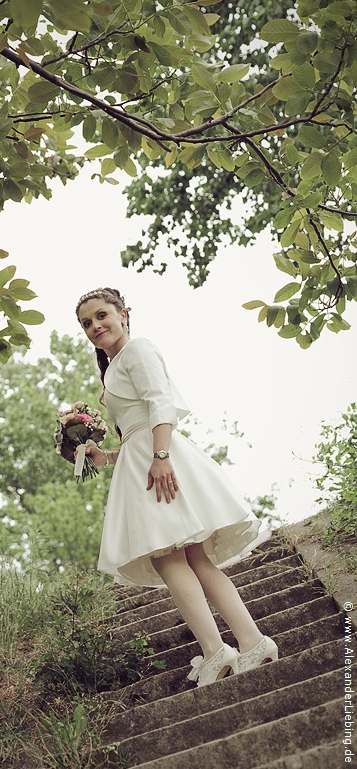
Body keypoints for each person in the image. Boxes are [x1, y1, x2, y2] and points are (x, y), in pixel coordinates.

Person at [74, 287, 278, 687]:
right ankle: (252, 644)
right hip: (143, 457)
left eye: (101, 316)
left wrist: (162, 456)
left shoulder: (138, 350)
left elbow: (160, 403)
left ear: (124, 314)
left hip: (157, 459)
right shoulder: (114, 366)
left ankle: (218, 650)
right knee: (195, 560)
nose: (95, 326)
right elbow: (136, 428)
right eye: (86, 323)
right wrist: (107, 457)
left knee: (171, 560)